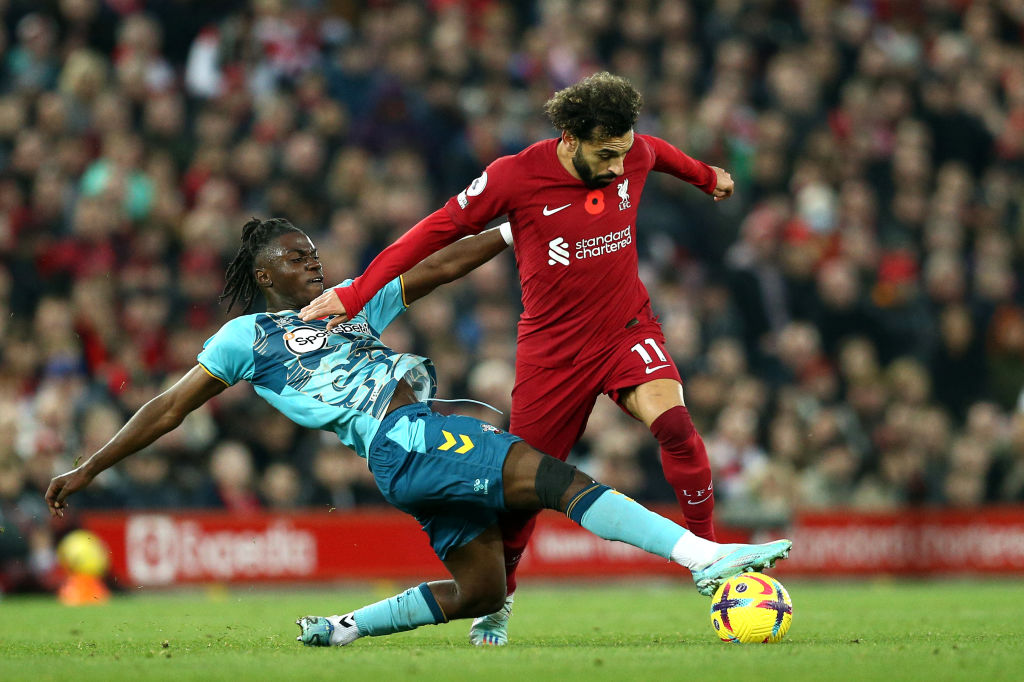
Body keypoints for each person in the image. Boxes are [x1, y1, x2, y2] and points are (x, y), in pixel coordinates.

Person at [45, 217, 791, 648]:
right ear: (264, 273)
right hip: (403, 441)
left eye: (314, 252)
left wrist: (511, 224)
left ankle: (341, 628)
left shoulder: (351, 305)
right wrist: (89, 467)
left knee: (479, 590)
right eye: (297, 256)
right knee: (556, 480)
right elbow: (169, 407)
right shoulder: (248, 335)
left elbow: (436, 267)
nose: (314, 262)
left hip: (411, 448)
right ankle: (699, 556)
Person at [299, 72, 735, 645]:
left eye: (624, 152)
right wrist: (357, 293)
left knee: (676, 425)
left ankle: (711, 559)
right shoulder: (514, 176)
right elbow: (434, 231)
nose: (617, 165)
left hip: (625, 330)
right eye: (606, 154)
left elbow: (662, 155)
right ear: (570, 138)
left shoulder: (632, 152)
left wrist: (707, 177)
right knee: (520, 492)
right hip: (550, 355)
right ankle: (499, 600)